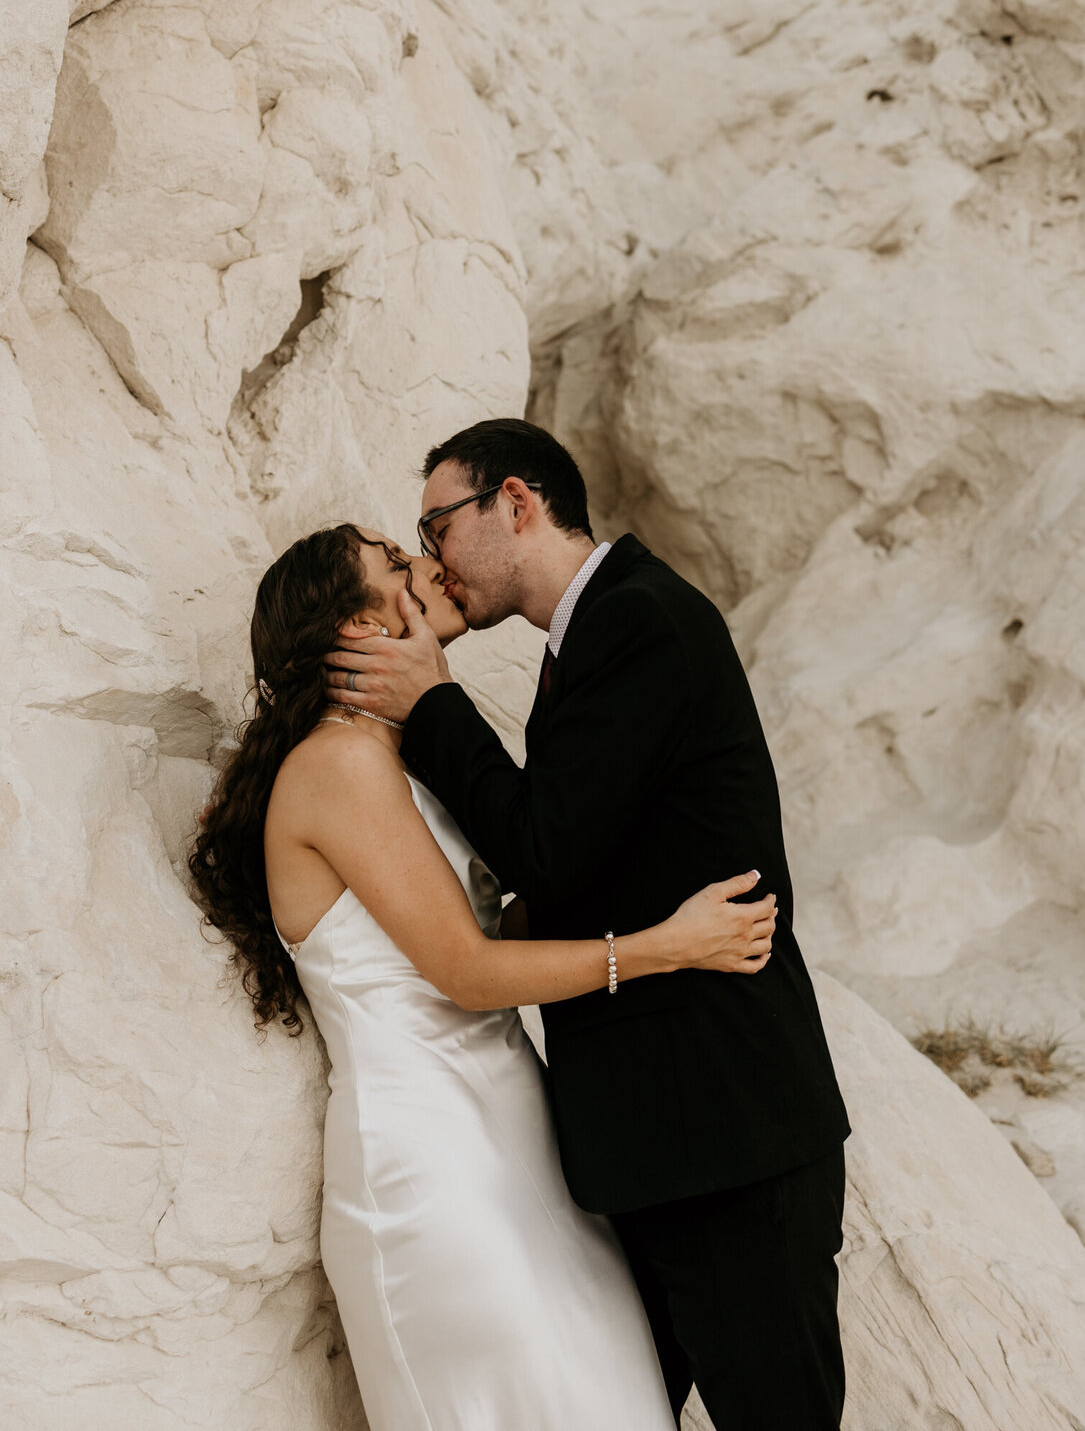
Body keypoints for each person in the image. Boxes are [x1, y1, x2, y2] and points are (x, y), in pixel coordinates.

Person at [188, 522, 778, 1431]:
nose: (429, 567)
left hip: (514, 1135)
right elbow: (465, 971)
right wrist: (666, 945)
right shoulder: (338, 766)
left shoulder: (395, 755)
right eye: (397, 563)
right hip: (435, 1162)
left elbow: (505, 912)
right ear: (359, 629)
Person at [326, 420, 852, 1431]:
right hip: (661, 1147)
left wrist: (433, 701)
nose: (431, 557)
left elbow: (548, 845)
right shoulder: (594, 640)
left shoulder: (641, 621)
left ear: (516, 503)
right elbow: (587, 869)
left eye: (437, 526)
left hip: (726, 1141)